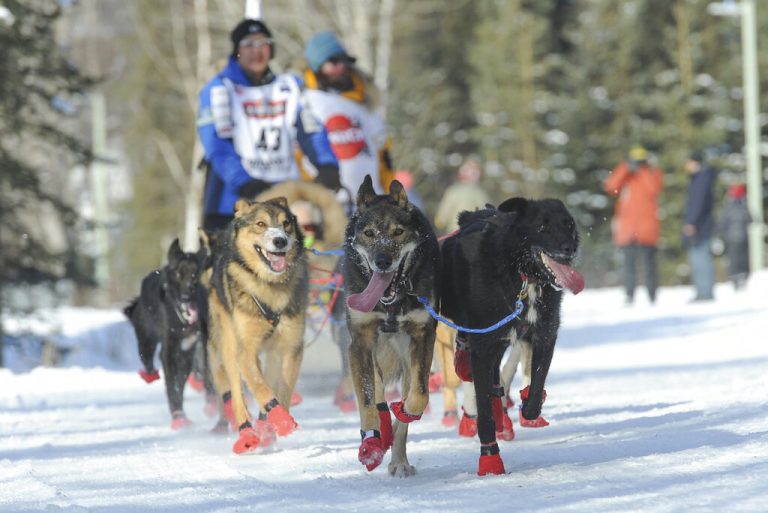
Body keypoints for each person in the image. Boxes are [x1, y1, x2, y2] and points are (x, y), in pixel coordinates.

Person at [197, 18, 340, 231]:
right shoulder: (220, 89)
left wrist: (327, 165)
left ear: (271, 49)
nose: (256, 51)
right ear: (237, 51)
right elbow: (216, 145)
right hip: (232, 201)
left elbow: (312, 131)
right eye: (248, 44)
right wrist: (243, 182)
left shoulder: (291, 86)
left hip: (283, 197)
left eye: (263, 43)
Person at [300, 31, 395, 210]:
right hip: (329, 203)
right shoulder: (307, 101)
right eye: (333, 62)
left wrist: (390, 193)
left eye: (343, 61)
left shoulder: (365, 101)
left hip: (371, 203)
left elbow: (383, 154)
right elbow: (300, 153)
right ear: (317, 66)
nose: (340, 67)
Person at [603, 145, 664, 304]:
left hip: (647, 228)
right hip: (628, 228)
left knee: (650, 265)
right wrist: (624, 168)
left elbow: (654, 189)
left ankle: (652, 295)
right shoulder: (626, 175)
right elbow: (610, 186)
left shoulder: (652, 172)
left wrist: (643, 171)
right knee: (628, 265)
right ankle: (629, 295)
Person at [682, 150, 716, 302]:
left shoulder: (701, 179)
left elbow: (698, 203)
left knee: (700, 259)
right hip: (702, 225)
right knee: (700, 258)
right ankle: (703, 290)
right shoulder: (702, 178)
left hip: (700, 227)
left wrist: (691, 222)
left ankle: (704, 292)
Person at [434, 159, 492, 235]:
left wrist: (440, 222)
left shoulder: (453, 191)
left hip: (455, 231)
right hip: (474, 233)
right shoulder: (481, 193)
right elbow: (488, 213)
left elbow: (443, 214)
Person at [718, 183, 751, 290]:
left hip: (731, 238)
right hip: (743, 238)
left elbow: (722, 223)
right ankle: (743, 276)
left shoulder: (728, 207)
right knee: (743, 258)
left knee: (733, 259)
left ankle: (735, 278)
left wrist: (720, 233)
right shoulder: (744, 207)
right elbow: (750, 219)